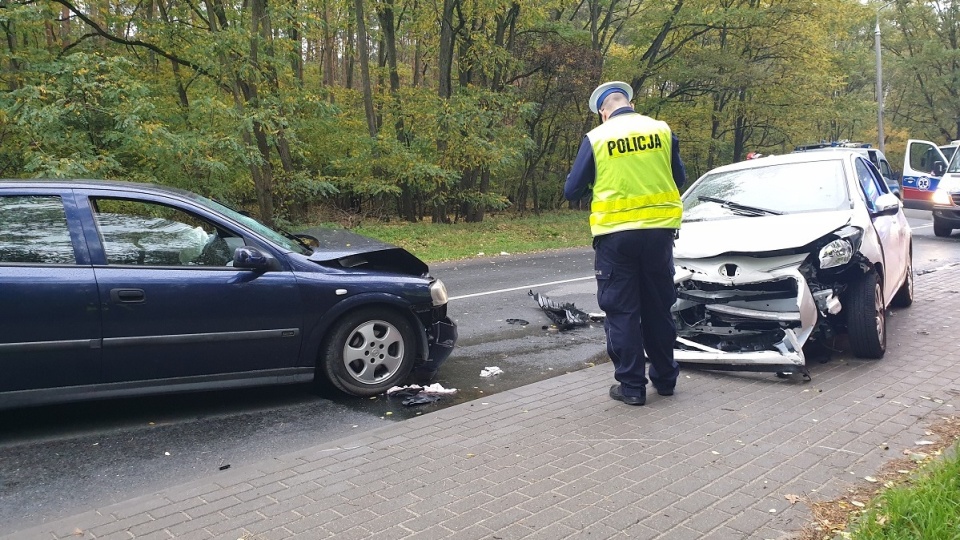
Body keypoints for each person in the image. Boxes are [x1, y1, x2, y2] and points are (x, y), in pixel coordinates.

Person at [564, 81, 685, 406]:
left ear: (604, 112)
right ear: (629, 103)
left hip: (616, 237)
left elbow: (572, 190)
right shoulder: (661, 130)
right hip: (659, 235)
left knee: (622, 312)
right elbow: (680, 178)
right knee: (658, 308)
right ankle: (666, 380)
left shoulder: (598, 138)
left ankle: (632, 387)